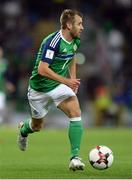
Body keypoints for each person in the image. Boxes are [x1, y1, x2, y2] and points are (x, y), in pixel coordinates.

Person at [18, 9, 85, 171]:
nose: (82, 27)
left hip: (58, 87)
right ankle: (23, 129)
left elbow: (72, 57)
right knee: (37, 126)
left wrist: (72, 81)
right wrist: (67, 81)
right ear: (69, 25)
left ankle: (75, 158)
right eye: (79, 23)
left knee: (76, 113)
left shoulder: (75, 40)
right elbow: (42, 69)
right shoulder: (53, 42)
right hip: (39, 89)